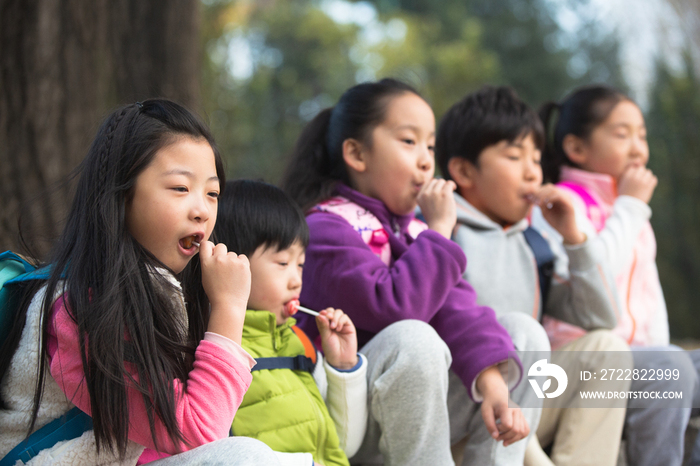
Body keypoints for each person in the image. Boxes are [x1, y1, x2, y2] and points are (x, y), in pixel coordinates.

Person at [0, 99, 280, 465]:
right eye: (180, 188)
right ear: (121, 194)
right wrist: (228, 308)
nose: (202, 209)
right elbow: (196, 432)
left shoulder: (161, 291)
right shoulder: (76, 308)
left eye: (212, 193)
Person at [281, 78, 529, 466]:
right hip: (346, 424)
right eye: (409, 141)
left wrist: (493, 382)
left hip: (407, 414)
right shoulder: (327, 227)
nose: (427, 159)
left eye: (430, 145)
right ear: (357, 154)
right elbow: (395, 307)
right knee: (413, 337)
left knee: (521, 335)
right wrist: (440, 233)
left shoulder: (414, 231)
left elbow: (459, 310)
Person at [435, 85, 632, 466]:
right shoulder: (442, 234)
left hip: (523, 412)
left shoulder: (534, 245)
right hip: (461, 411)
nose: (532, 171)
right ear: (463, 170)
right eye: (513, 156)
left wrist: (574, 239)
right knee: (515, 330)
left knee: (606, 348)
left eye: (537, 158)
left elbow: (601, 317)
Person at [537, 85, 699, 466]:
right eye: (622, 134)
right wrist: (628, 207)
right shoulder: (561, 205)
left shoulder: (633, 212)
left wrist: (664, 353)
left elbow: (649, 298)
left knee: (672, 364)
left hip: (644, 360)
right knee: (669, 369)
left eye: (641, 134)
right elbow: (596, 286)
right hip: (584, 362)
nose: (638, 146)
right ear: (577, 148)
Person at [212, 179, 368, 466]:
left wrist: (343, 368)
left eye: (300, 265)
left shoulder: (301, 346)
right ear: (232, 262)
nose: (297, 280)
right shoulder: (215, 350)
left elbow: (345, 444)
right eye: (283, 263)